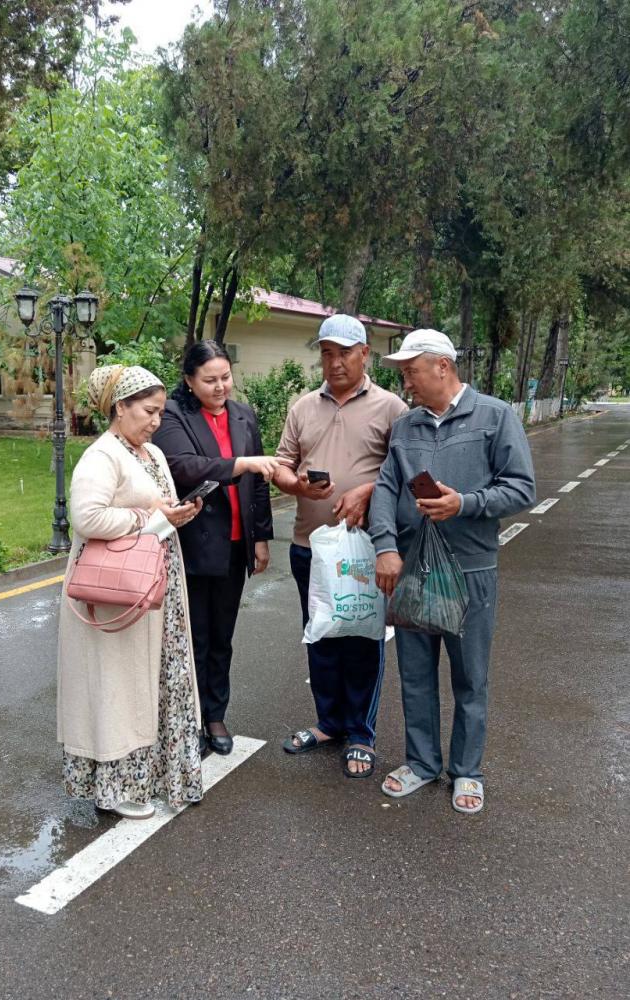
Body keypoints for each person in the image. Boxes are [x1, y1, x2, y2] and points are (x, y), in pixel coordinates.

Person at [369, 329, 536, 814]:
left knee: (470, 676)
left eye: (412, 372)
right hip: (413, 568)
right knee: (416, 673)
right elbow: (385, 489)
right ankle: (422, 763)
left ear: (442, 366)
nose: (407, 383)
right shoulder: (406, 427)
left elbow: (522, 488)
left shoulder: (494, 416)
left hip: (470, 568)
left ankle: (467, 770)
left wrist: (464, 503)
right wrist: (385, 547)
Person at [57, 364, 204, 820]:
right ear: (120, 408)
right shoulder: (102, 456)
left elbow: (156, 507)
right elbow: (87, 518)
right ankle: (114, 787)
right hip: (117, 587)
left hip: (155, 580)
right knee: (119, 685)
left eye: (161, 412)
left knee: (157, 677)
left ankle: (158, 775)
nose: (156, 421)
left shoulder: (151, 454)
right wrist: (150, 519)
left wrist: (176, 513)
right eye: (148, 411)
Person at [273, 314, 408, 778]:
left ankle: (361, 733)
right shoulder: (302, 407)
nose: (334, 364)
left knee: (362, 637)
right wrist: (297, 486)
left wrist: (368, 491)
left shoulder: (391, 408)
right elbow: (282, 465)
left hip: (365, 549)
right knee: (321, 634)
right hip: (309, 546)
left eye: (344, 354)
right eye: (326, 354)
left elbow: (404, 473)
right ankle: (329, 722)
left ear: (364, 354)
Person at [153, 341, 277, 756]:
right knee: (194, 636)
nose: (221, 386)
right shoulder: (174, 414)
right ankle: (186, 718)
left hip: (236, 543)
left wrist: (260, 537)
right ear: (189, 380)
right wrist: (241, 465)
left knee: (223, 635)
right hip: (196, 541)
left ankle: (215, 714)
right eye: (210, 380)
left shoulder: (243, 415)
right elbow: (183, 465)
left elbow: (258, 484)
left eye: (226, 377)